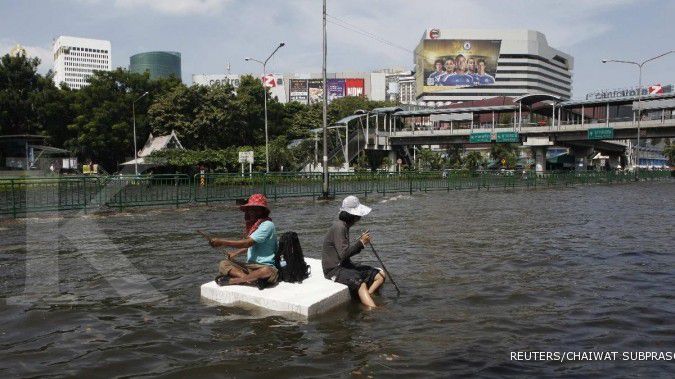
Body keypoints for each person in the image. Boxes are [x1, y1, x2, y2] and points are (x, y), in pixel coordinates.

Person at [322, 195, 385, 308]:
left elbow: (343, 251)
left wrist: (360, 242)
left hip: (345, 265)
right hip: (334, 270)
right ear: (353, 216)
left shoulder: (344, 226)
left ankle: (367, 297)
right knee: (360, 284)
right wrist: (361, 243)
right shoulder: (339, 227)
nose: (359, 218)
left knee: (380, 275)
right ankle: (373, 309)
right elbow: (343, 254)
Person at [209, 194, 279, 288]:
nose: (252, 212)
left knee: (267, 271)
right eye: (250, 209)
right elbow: (251, 244)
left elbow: (249, 242)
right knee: (223, 264)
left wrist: (222, 242)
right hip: (250, 267)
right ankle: (251, 279)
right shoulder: (253, 226)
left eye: (256, 209)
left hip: (264, 267)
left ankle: (235, 280)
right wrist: (235, 253)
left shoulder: (267, 225)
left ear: (263, 211)